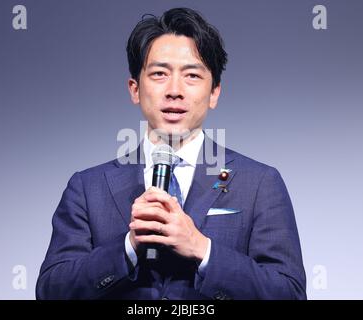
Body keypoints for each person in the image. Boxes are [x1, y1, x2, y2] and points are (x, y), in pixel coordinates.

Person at [36, 7, 306, 300]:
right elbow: (52, 292)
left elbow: (289, 293)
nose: (174, 90)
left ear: (214, 92)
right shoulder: (88, 188)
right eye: (159, 74)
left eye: (191, 75)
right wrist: (128, 247)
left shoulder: (259, 183)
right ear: (135, 89)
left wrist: (202, 249)